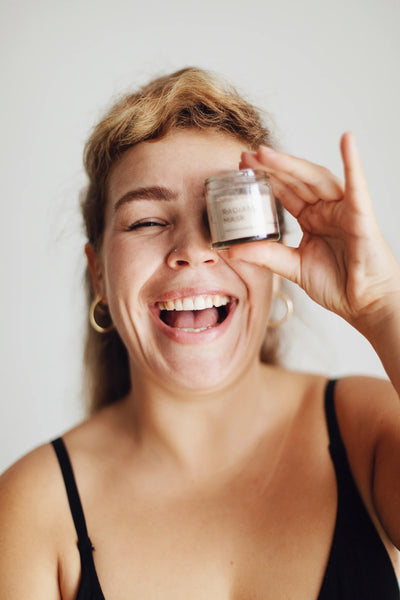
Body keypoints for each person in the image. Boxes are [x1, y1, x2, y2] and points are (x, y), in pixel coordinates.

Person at [0, 67, 399, 599]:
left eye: (226, 213)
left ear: (276, 256)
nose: (193, 249)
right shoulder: (30, 508)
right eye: (146, 221)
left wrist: (383, 308)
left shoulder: (365, 429)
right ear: (99, 275)